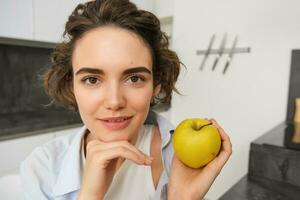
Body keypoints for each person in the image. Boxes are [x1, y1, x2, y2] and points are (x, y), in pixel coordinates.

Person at [20, 0, 232, 199]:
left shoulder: (182, 158)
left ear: (156, 84)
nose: (114, 101)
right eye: (92, 79)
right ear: (71, 86)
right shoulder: (42, 167)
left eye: (134, 78)